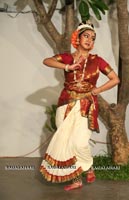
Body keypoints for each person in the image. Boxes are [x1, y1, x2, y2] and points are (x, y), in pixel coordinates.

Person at [40, 21, 120, 191]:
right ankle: (76, 180)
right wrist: (67, 67)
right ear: (77, 38)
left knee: (80, 142)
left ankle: (89, 166)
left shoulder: (97, 61)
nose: (89, 40)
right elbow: (46, 61)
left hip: (86, 105)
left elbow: (115, 79)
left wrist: (98, 90)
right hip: (65, 103)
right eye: (86, 36)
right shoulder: (67, 57)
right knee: (68, 143)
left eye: (93, 38)